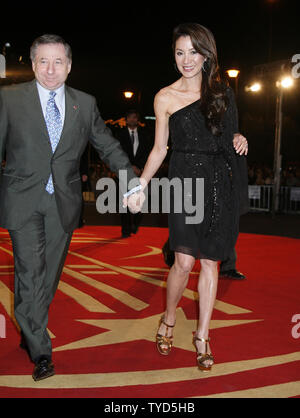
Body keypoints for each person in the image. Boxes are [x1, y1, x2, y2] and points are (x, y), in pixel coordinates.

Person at [0, 34, 137, 381]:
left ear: (69, 66)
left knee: (49, 277)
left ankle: (30, 328)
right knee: (30, 274)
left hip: (64, 202)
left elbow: (106, 145)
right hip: (23, 200)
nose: (50, 69)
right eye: (42, 61)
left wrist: (131, 180)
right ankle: (41, 349)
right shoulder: (9, 99)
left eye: (57, 61)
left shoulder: (84, 104)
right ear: (32, 64)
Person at [125, 23, 248, 372]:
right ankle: (168, 317)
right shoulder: (164, 96)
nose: (187, 59)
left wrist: (240, 137)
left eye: (193, 51)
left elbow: (232, 133)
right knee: (183, 262)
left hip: (218, 184)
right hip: (185, 185)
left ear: (206, 53)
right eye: (180, 52)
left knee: (211, 262)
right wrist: (142, 185)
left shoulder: (223, 93)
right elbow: (160, 148)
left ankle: (203, 336)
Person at [115, 109, 152, 237]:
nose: (132, 119)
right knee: (124, 202)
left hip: (140, 173)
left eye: (134, 117)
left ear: (138, 119)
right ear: (126, 119)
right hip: (125, 171)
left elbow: (148, 152)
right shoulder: (119, 135)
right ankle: (125, 230)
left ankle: (135, 224)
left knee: (140, 201)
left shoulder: (145, 135)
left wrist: (141, 167)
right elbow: (118, 153)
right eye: (130, 117)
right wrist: (130, 166)